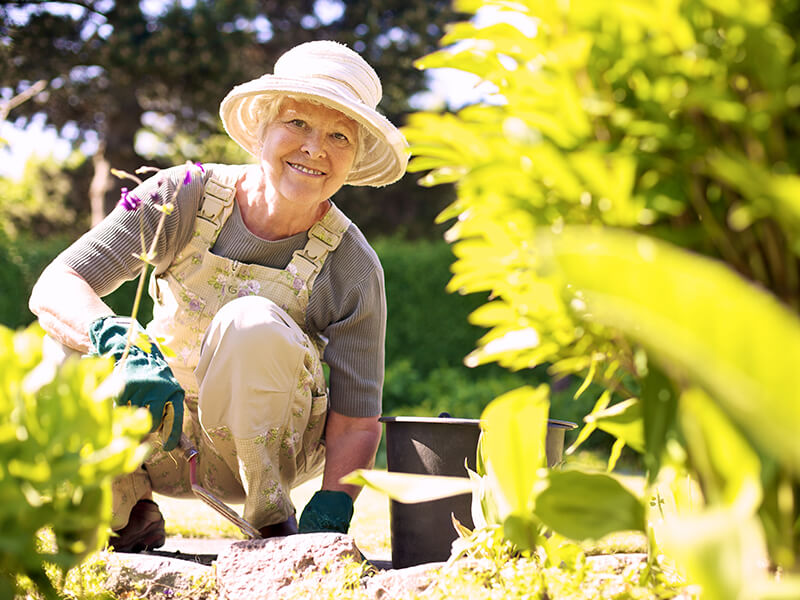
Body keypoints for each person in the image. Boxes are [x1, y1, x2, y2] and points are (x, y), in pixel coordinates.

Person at [28, 40, 409, 552]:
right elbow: (58, 285)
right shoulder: (178, 195)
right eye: (297, 123)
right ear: (262, 130)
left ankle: (273, 524)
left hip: (266, 457)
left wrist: (335, 504)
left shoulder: (351, 265)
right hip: (155, 434)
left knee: (251, 321)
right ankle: (125, 509)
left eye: (339, 135)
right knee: (59, 347)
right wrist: (116, 342)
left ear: (354, 156)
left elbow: (358, 420)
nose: (315, 148)